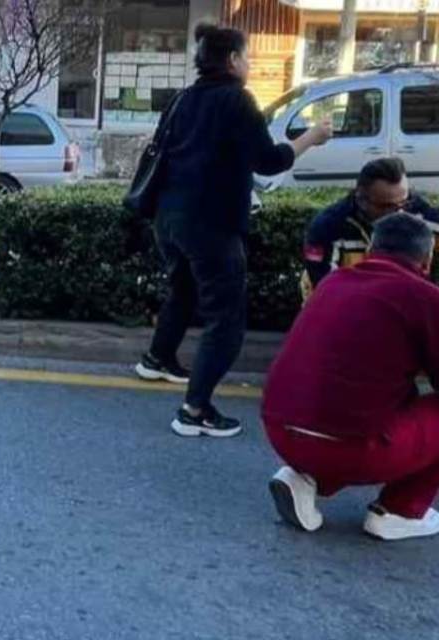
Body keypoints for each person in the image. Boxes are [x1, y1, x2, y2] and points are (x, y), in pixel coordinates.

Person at [133, 24, 332, 438]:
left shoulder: (183, 98)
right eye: (247, 56)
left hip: (168, 219)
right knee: (226, 320)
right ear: (232, 60)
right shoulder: (236, 99)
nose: (250, 64)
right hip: (212, 225)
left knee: (184, 290)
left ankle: (158, 358)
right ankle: (195, 410)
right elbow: (269, 161)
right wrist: (311, 138)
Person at [262, 213, 439, 541]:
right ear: (427, 260)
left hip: (281, 432)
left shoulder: (333, 282)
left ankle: (305, 479)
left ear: (370, 250)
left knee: (353, 410)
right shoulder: (429, 299)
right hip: (351, 448)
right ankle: (400, 511)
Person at [300, 157, 439, 298]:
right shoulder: (328, 227)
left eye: (403, 203)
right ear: (361, 198)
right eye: (386, 206)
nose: (399, 213)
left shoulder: (411, 208)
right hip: (340, 305)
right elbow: (327, 289)